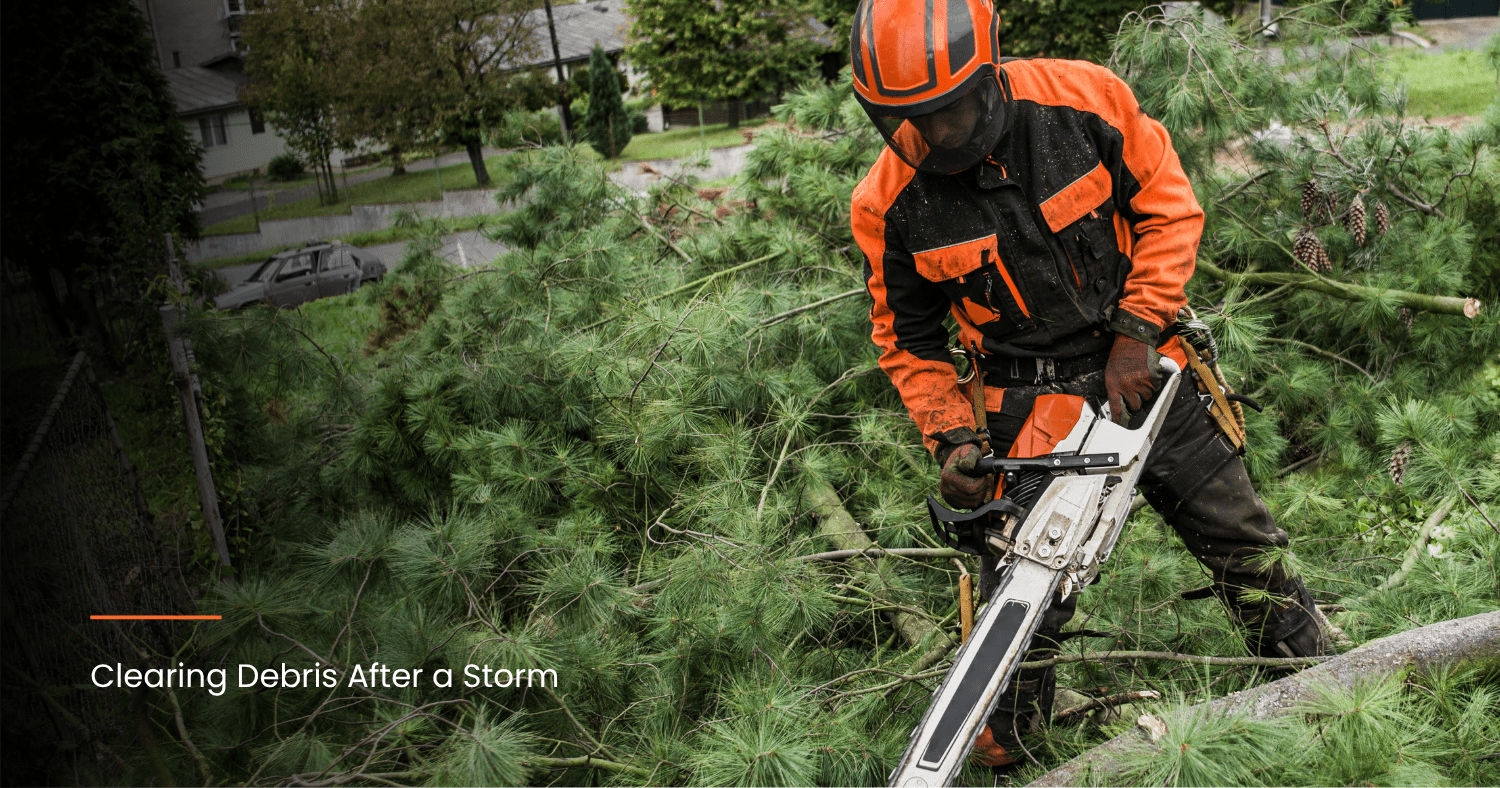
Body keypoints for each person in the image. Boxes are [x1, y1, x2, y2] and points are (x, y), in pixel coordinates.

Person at [848, 0, 1329, 767]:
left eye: (950, 112)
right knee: (1024, 602)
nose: (936, 134)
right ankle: (1011, 754)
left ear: (988, 73)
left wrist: (1139, 329)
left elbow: (1169, 210)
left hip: (1144, 373)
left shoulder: (1082, 102)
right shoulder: (887, 202)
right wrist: (955, 437)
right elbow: (906, 341)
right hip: (1023, 403)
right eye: (913, 119)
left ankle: (1321, 690)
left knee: (1242, 542)